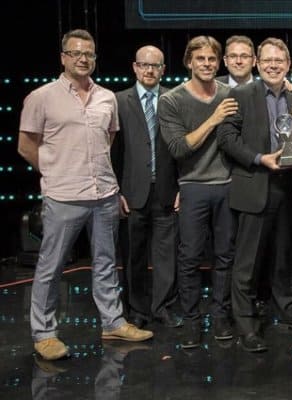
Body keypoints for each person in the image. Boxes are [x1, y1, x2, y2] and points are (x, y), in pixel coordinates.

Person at [18, 29, 153, 361]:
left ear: (95, 58)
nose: (83, 59)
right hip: (63, 196)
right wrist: (55, 170)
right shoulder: (42, 97)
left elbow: (108, 142)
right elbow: (26, 146)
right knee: (51, 267)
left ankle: (112, 322)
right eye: (76, 53)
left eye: (89, 54)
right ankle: (44, 333)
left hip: (104, 194)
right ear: (63, 57)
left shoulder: (107, 97)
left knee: (106, 263)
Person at [218, 37, 292, 353]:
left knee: (283, 258)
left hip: (289, 190)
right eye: (268, 61)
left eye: (280, 61)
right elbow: (227, 138)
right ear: (259, 64)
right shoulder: (241, 94)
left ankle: (287, 310)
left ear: (288, 65)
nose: (274, 66)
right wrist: (260, 158)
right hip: (255, 186)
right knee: (246, 263)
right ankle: (246, 324)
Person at [159, 35, 238, 349]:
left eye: (212, 59)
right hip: (192, 187)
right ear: (189, 62)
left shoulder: (231, 94)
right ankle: (191, 320)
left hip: (227, 186)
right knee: (190, 257)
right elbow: (179, 148)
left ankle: (220, 315)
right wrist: (214, 119)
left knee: (225, 256)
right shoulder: (172, 100)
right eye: (201, 59)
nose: (207, 64)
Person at [112, 45, 182, 329]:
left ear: (163, 69)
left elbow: (182, 147)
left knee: (167, 255)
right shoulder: (117, 100)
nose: (149, 70)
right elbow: (111, 151)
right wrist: (116, 190)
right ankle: (137, 310)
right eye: (144, 65)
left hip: (167, 188)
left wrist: (182, 187)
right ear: (135, 67)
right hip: (131, 191)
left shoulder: (175, 98)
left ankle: (162, 306)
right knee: (133, 256)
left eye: (155, 65)